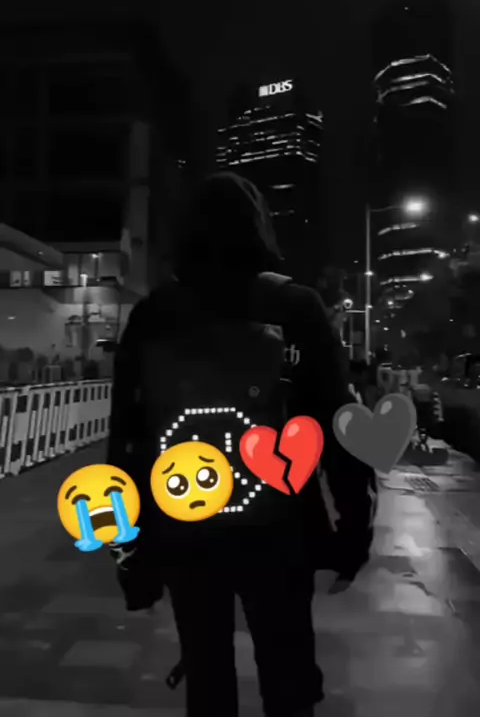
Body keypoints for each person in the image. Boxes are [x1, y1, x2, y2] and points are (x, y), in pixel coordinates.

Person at [107, 172, 377, 717]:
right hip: (280, 528)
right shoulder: (296, 307)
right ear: (260, 228)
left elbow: (128, 441)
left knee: (206, 676)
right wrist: (352, 533)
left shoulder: (153, 314)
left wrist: (130, 554)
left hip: (184, 528)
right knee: (288, 673)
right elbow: (339, 425)